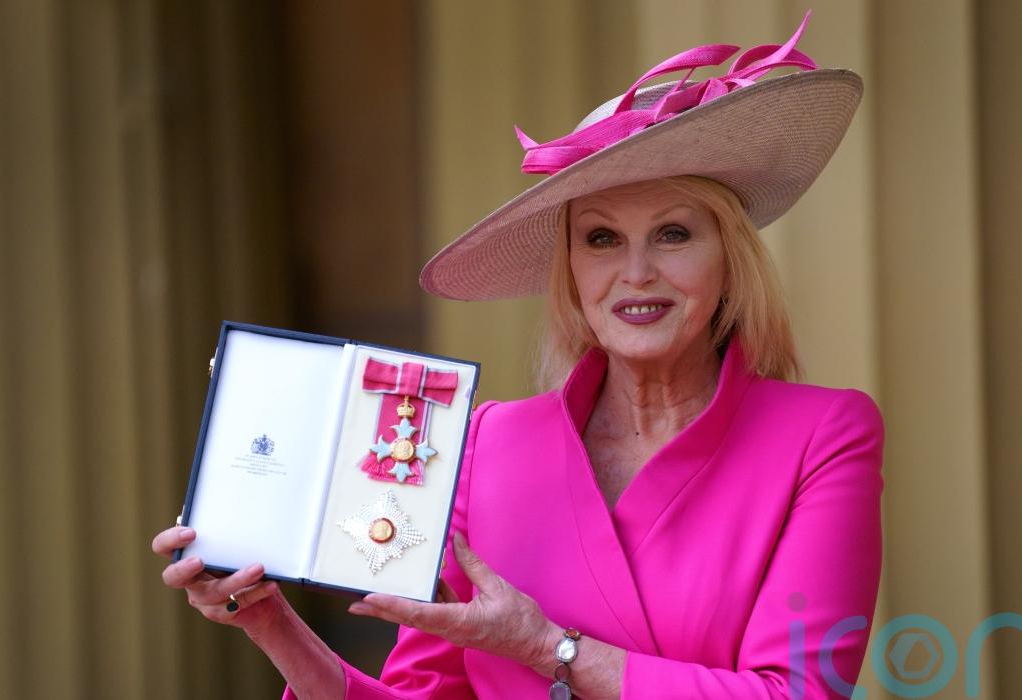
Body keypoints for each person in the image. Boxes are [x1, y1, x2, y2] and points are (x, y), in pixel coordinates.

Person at [153, 12, 884, 699]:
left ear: (729, 258)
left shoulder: (823, 435)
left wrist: (545, 647)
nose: (636, 273)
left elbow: (801, 691)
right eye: (601, 238)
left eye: (673, 233)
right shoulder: (486, 444)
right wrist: (273, 625)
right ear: (570, 270)